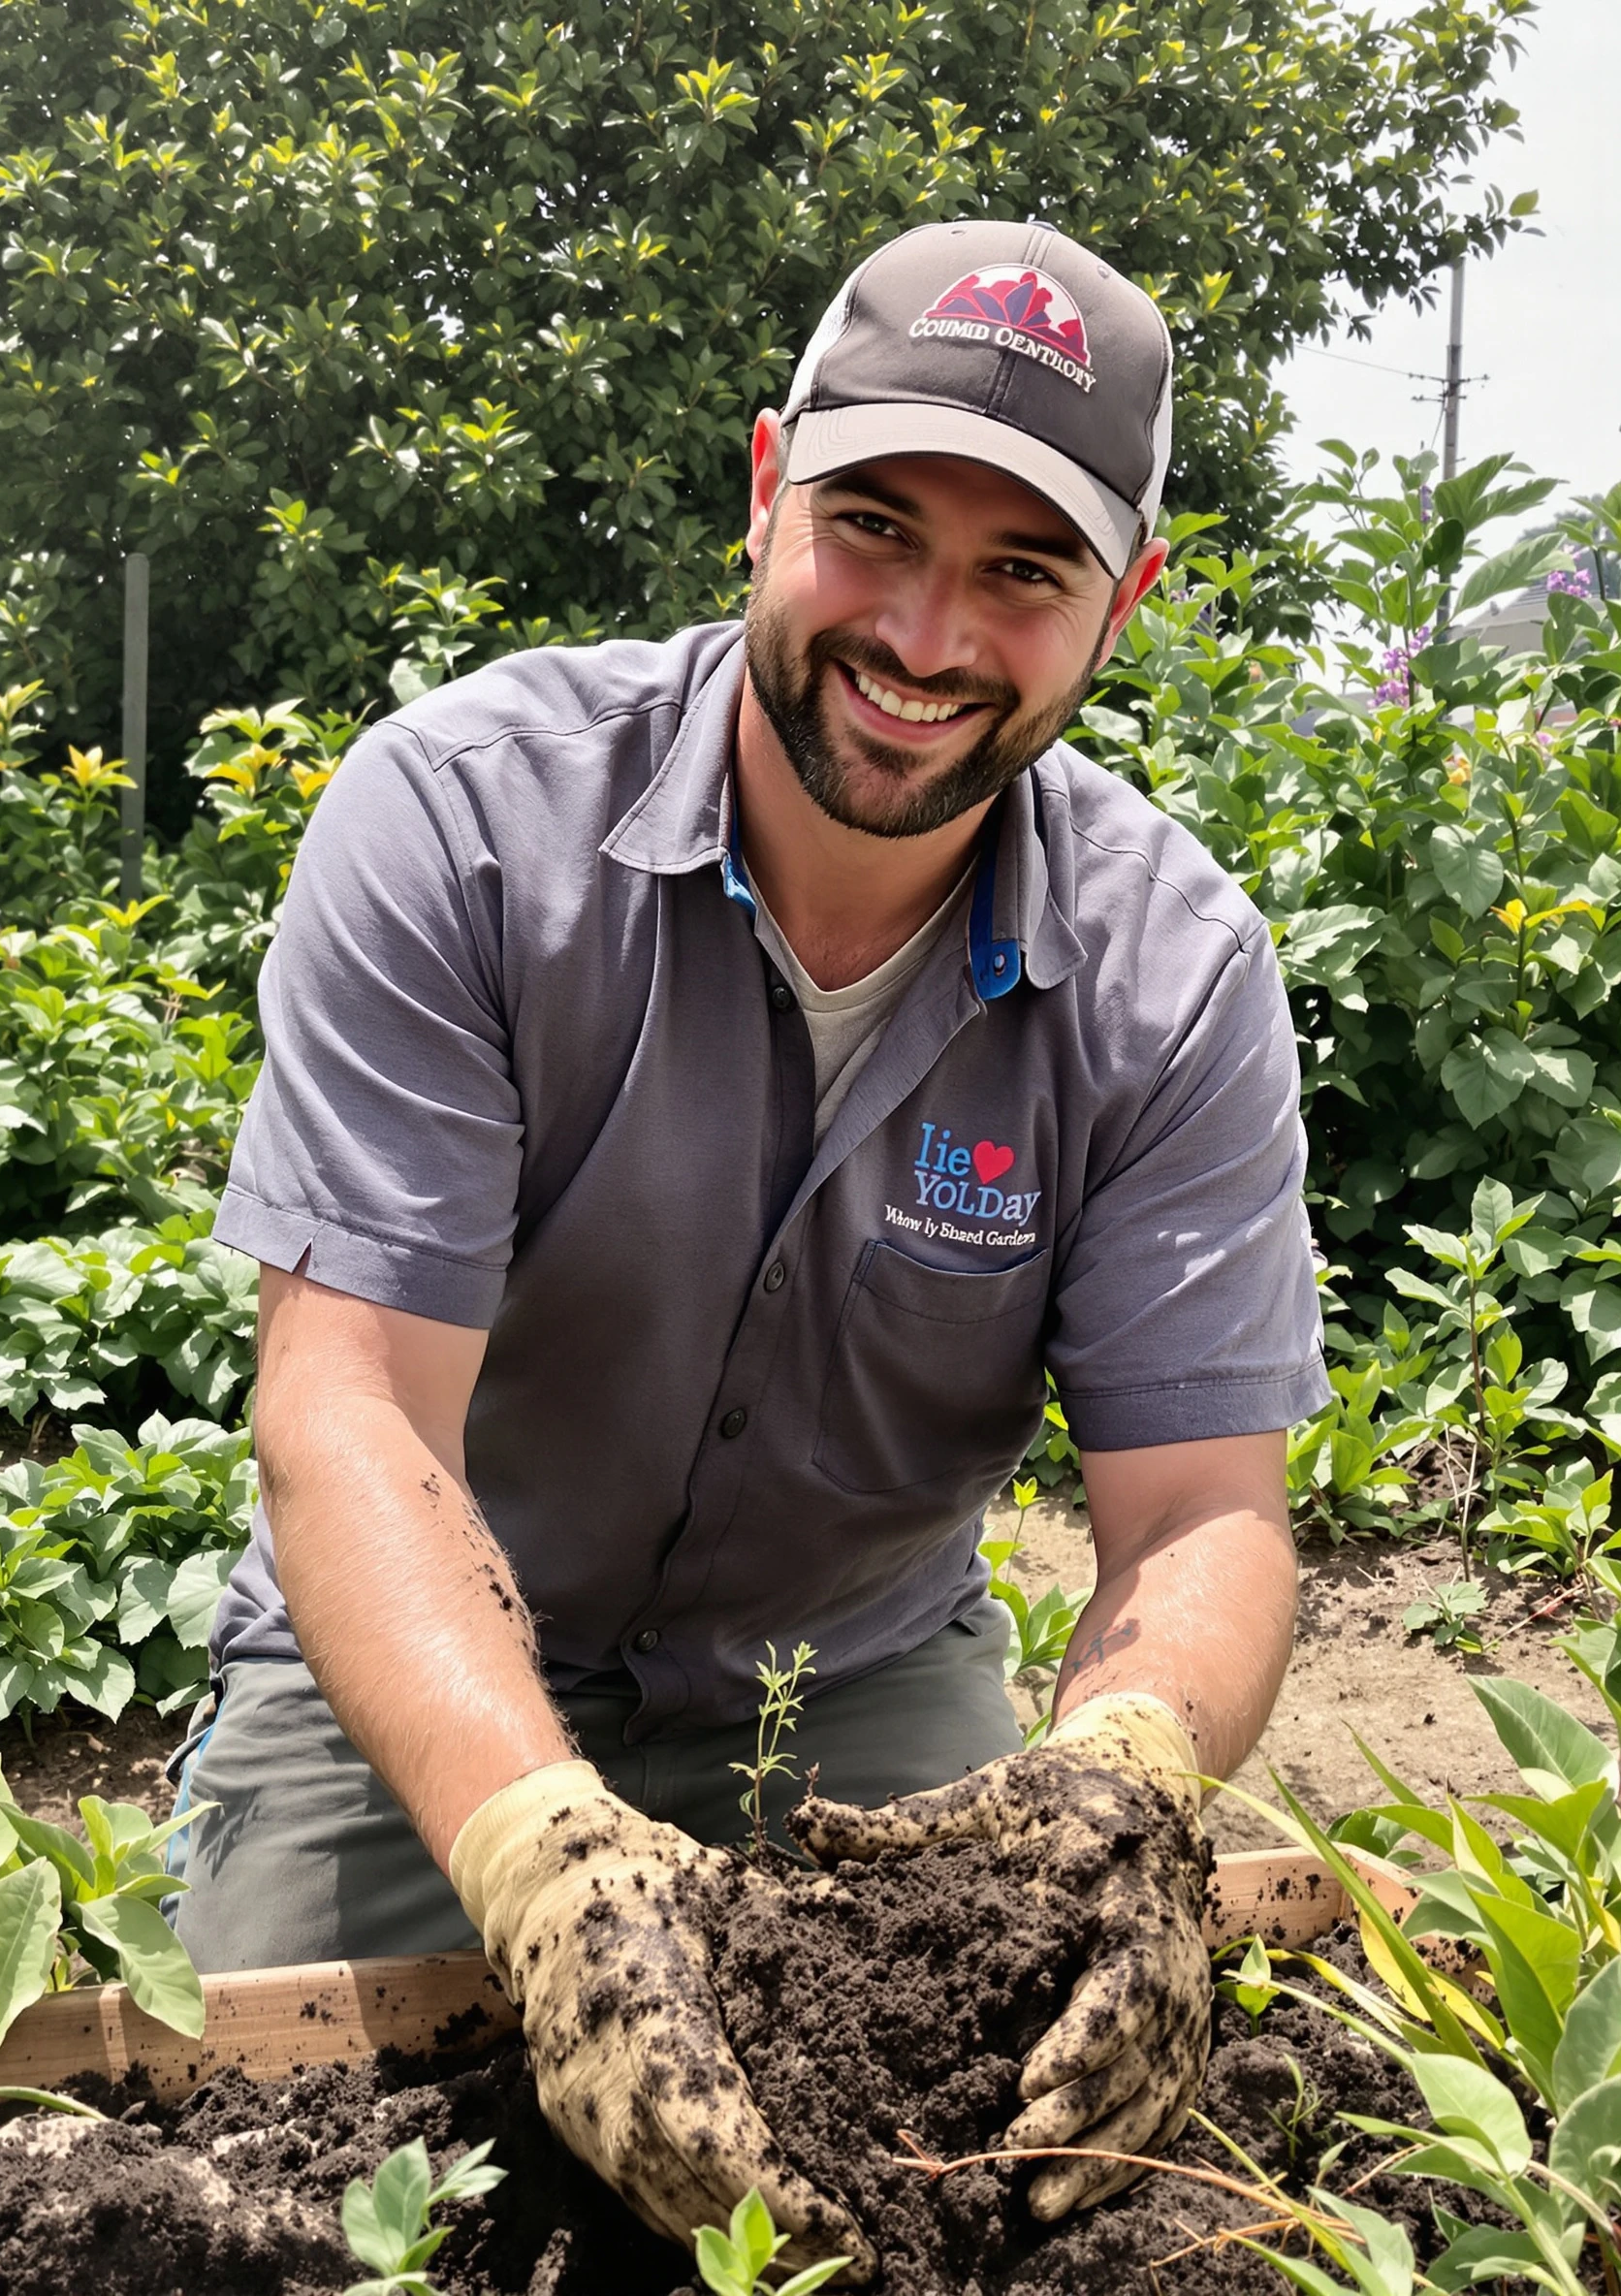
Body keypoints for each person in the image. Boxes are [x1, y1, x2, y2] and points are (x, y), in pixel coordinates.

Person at [171, 218, 1328, 2276]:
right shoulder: (461, 827)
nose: (923, 630)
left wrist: (1131, 1778)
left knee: (1012, 2188)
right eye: (871, 525)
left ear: (1120, 605)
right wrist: (535, 1849)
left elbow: (1197, 1514)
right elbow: (347, 1411)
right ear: (761, 484)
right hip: (412, 1679)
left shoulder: (1170, 977)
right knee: (289, 2204)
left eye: (1019, 571)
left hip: (853, 1682)